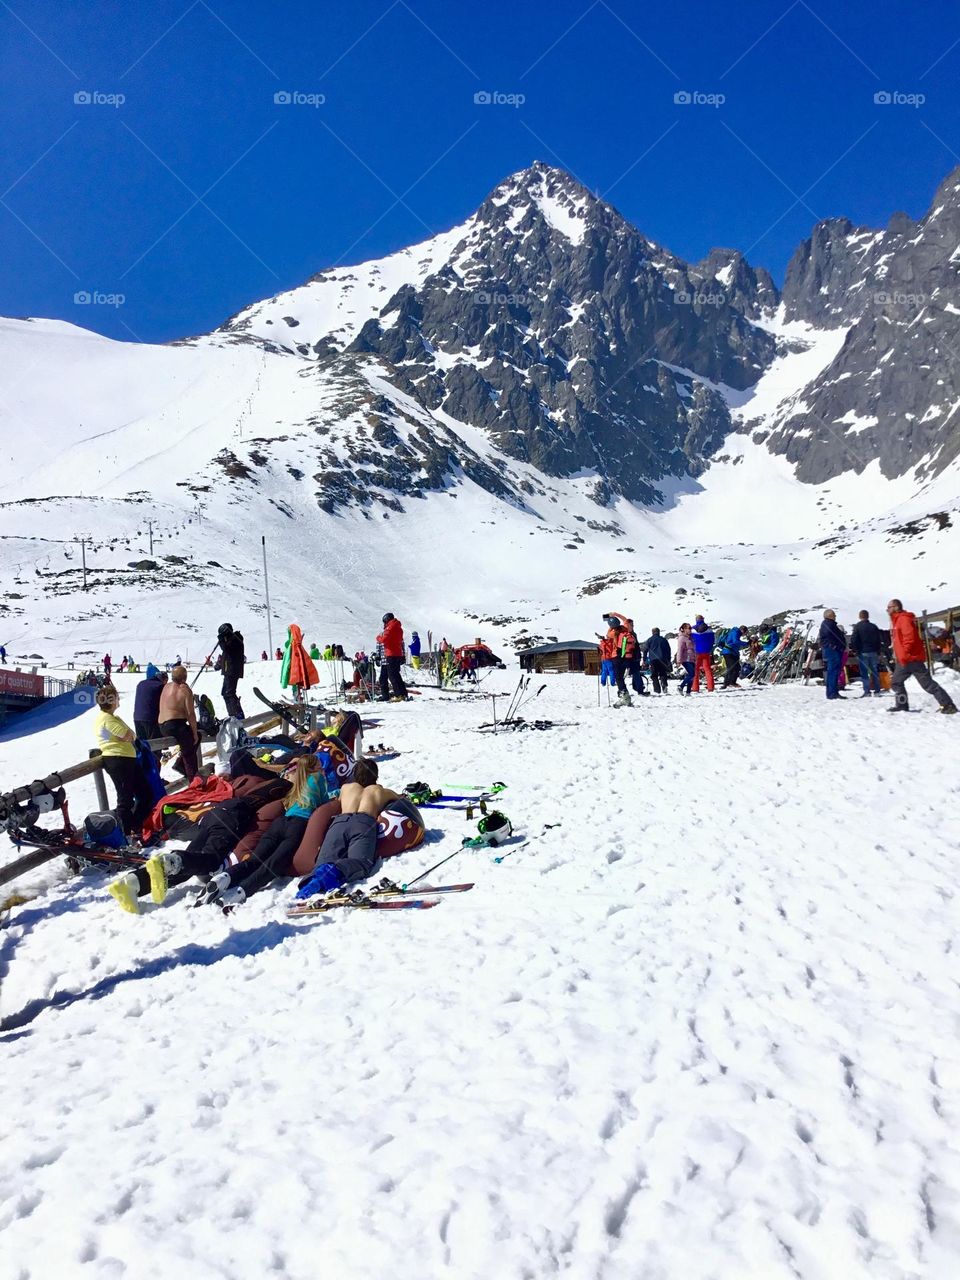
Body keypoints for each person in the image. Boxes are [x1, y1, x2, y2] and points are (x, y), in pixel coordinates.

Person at [198, 755, 332, 907]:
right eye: (319, 766)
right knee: (273, 864)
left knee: (255, 859)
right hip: (298, 825)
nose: (322, 768)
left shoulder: (297, 783)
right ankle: (241, 892)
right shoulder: (316, 778)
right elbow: (325, 803)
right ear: (312, 768)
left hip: (280, 822)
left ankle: (225, 877)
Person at [295, 759, 400, 898]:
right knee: (361, 862)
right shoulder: (381, 791)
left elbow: (336, 800)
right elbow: (400, 800)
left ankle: (314, 882)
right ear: (376, 776)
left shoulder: (346, 788)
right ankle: (334, 871)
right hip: (363, 823)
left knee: (322, 862)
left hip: (339, 823)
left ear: (354, 774)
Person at [93, 685, 154, 839]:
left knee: (144, 793)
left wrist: (129, 736)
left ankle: (134, 825)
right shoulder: (107, 719)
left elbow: (130, 735)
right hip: (117, 760)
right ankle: (125, 832)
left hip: (126, 759)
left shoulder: (113, 718)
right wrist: (129, 736)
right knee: (125, 798)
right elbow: (128, 735)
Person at [886, 599, 957, 714]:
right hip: (905, 659)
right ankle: (902, 705)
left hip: (911, 658)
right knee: (897, 682)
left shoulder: (903, 619)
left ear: (896, 607)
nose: (887, 610)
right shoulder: (897, 620)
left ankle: (948, 705)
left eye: (889, 607)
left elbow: (910, 638)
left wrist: (904, 653)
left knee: (926, 684)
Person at [158, 664, 199, 780]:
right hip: (175, 725)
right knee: (190, 749)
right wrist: (194, 732)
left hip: (161, 725)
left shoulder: (166, 687)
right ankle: (193, 778)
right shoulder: (185, 690)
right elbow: (191, 713)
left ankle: (181, 765)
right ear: (184, 678)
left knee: (190, 741)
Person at [133, 663, 168, 743]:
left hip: (137, 718)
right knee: (155, 744)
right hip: (151, 719)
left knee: (143, 745)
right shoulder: (159, 686)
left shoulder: (140, 684)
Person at [217, 622, 245, 719]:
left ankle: (237, 714)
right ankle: (233, 713)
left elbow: (226, 649)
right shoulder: (232, 639)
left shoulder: (235, 639)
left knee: (229, 693)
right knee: (225, 692)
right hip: (229, 670)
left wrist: (221, 640)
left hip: (232, 670)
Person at [603, 615, 633, 706]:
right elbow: (625, 619)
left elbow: (608, 634)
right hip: (627, 656)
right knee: (620, 677)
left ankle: (624, 696)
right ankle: (625, 696)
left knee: (618, 677)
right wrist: (615, 614)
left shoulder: (613, 633)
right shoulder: (625, 629)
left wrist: (610, 626)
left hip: (616, 656)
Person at [851, 609, 882, 697]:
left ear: (860, 617)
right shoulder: (873, 626)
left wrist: (855, 650)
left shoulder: (857, 627)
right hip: (873, 652)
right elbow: (878, 640)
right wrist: (878, 651)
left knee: (864, 672)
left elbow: (854, 640)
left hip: (862, 652)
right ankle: (877, 690)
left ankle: (867, 691)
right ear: (868, 616)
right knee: (874, 671)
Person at [377, 613, 407, 701]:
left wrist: (378, 638)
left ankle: (398, 695)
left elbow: (383, 640)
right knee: (396, 675)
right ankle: (403, 693)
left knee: (392, 676)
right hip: (397, 653)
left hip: (391, 654)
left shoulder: (390, 627)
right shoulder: (398, 627)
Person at [819, 610, 847, 701]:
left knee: (834, 671)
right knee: (833, 671)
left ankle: (833, 692)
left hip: (832, 650)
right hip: (833, 651)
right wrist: (835, 646)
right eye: (834, 615)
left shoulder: (827, 624)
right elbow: (831, 636)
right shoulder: (829, 624)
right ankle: (832, 693)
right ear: (830, 616)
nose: (835, 616)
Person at [691, 621, 716, 692]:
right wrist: (709, 648)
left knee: (695, 670)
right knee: (707, 669)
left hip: (696, 652)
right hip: (706, 652)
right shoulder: (709, 630)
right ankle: (710, 687)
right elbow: (713, 641)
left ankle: (695, 688)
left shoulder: (692, 630)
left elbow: (690, 640)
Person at [646, 627, 672, 694]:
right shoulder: (663, 640)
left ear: (652, 632)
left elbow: (645, 650)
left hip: (653, 659)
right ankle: (664, 685)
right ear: (659, 632)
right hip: (663, 659)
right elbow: (668, 650)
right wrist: (668, 659)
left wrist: (644, 659)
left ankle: (657, 690)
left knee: (654, 675)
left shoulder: (649, 640)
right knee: (663, 673)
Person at [675, 623, 695, 695]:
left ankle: (688, 692)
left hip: (692, 658)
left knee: (691, 675)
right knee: (692, 674)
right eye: (688, 628)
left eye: (690, 628)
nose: (690, 630)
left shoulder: (690, 637)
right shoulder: (682, 638)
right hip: (686, 659)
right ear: (683, 629)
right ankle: (681, 686)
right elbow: (680, 649)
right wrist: (679, 660)